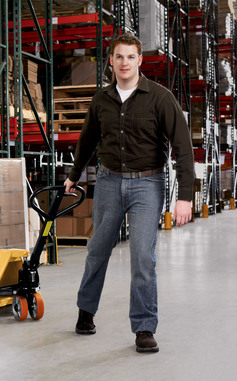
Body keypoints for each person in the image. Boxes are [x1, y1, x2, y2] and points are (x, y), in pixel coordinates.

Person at [64, 33, 194, 353]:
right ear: (111, 61)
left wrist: (185, 196)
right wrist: (72, 175)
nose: (125, 63)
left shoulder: (160, 98)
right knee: (97, 250)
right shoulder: (101, 100)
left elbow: (182, 147)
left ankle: (144, 327)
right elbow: (87, 140)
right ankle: (86, 311)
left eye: (131, 57)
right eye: (119, 57)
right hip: (109, 182)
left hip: (147, 185)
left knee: (142, 258)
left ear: (140, 61)